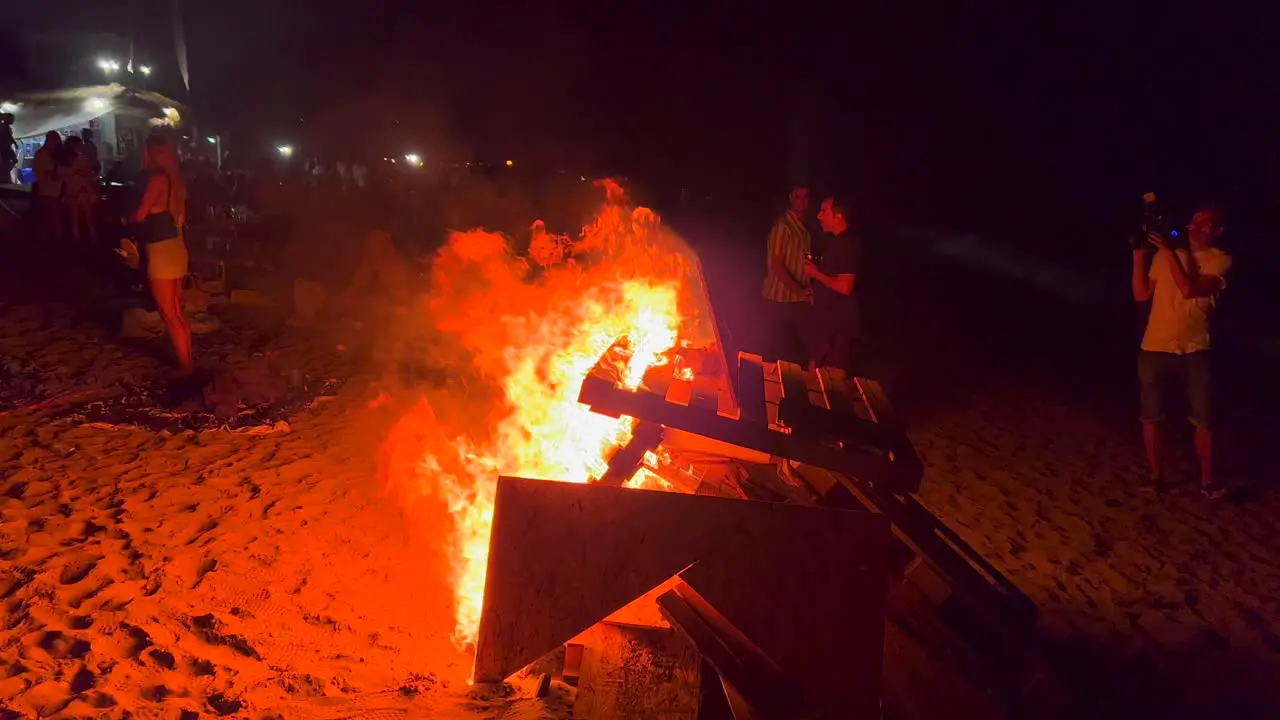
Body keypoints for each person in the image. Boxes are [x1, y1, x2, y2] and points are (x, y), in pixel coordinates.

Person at [1131, 203, 1232, 498]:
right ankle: (1156, 476)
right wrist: (1138, 257)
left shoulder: (1220, 261)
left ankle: (1208, 481)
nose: (1197, 227)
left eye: (1206, 224)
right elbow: (1141, 295)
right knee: (1151, 416)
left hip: (1195, 349)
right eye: (1195, 221)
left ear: (1218, 231)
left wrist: (1170, 252)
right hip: (1154, 345)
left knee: (1204, 419)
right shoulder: (1164, 256)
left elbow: (1189, 289)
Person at [132, 135, 192, 373]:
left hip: (161, 252)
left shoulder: (157, 180)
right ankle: (185, 360)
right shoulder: (177, 181)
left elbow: (140, 215)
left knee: (169, 313)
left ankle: (187, 368)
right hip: (178, 247)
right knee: (175, 311)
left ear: (150, 153)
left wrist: (126, 218)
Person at [804, 195, 863, 374]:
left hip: (838, 331)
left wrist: (816, 274)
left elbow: (845, 287)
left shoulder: (846, 244)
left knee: (831, 385)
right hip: (826, 328)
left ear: (838, 216)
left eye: (824, 211)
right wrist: (818, 292)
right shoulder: (835, 242)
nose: (818, 216)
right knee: (814, 376)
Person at [761, 186, 813, 363]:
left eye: (806, 197)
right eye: (798, 196)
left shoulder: (804, 230)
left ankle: (794, 387)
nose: (802, 200)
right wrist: (798, 290)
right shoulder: (783, 227)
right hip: (779, 299)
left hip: (798, 300)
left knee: (796, 353)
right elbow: (776, 266)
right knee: (775, 352)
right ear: (791, 198)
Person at [60, 135, 98, 245]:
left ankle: (77, 238)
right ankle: (92, 238)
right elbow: (90, 172)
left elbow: (63, 175)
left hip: (73, 189)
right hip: (83, 189)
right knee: (88, 216)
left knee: (75, 217)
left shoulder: (64, 160)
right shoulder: (82, 157)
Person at [32, 131, 64, 244]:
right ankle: (51, 239)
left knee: (52, 215)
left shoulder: (56, 154)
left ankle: (51, 239)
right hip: (47, 189)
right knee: (50, 215)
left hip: (57, 188)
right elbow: (38, 171)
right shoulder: (42, 154)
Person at [0, 113, 17, 184]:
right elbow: (6, 139)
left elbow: (9, 137)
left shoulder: (5, 127)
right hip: (5, 148)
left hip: (6, 148)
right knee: (9, 161)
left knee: (10, 161)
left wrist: (14, 143)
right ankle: (4, 177)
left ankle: (5, 176)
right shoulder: (3, 127)